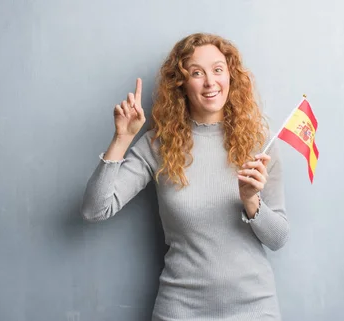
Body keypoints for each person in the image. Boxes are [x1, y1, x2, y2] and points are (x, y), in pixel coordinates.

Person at [80, 32, 289, 321]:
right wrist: (122, 139)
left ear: (231, 76)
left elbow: (278, 238)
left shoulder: (259, 143)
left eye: (218, 70)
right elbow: (95, 209)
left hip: (254, 309)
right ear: (181, 83)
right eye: (196, 72)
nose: (210, 82)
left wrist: (251, 201)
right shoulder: (158, 145)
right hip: (180, 311)